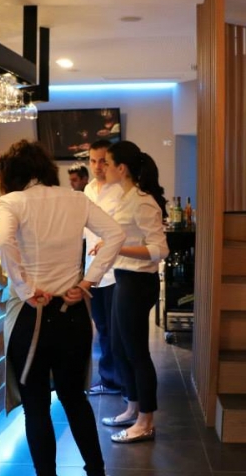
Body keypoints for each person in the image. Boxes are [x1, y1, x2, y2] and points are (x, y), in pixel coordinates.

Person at [0, 140, 125, 476]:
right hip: (72, 312)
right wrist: (87, 282)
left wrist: (23, 288)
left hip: (32, 314)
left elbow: (2, 241)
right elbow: (115, 234)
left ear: (11, 175)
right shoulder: (76, 198)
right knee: (74, 397)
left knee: (36, 407)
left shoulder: (12, 202)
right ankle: (96, 470)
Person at [96, 140, 168, 444]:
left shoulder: (143, 201)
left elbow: (159, 249)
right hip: (123, 279)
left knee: (137, 352)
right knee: (121, 349)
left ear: (121, 168)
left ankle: (145, 421)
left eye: (107, 163)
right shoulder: (124, 197)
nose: (103, 168)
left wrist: (117, 247)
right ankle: (133, 407)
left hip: (138, 283)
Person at [83, 140, 124, 396]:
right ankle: (110, 379)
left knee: (115, 329)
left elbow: (123, 232)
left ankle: (119, 380)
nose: (98, 166)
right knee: (102, 327)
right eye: (93, 161)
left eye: (103, 161)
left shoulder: (120, 191)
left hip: (115, 269)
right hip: (92, 271)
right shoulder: (87, 190)